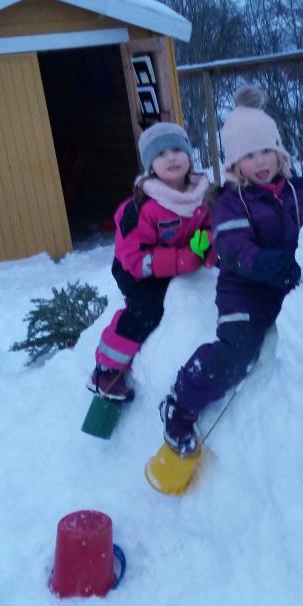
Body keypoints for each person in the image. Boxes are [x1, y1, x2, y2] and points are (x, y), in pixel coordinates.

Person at [160, 86, 303, 456]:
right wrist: (265, 263)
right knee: (239, 351)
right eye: (248, 155)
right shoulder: (232, 201)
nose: (260, 161)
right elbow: (232, 247)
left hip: (289, 281)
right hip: (246, 289)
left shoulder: (294, 190)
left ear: (279, 151)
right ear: (236, 164)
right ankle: (181, 403)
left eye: (265, 150)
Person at [87, 121, 215, 402]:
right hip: (136, 270)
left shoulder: (200, 197)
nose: (170, 157)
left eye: (176, 150)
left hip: (175, 262)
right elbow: (132, 257)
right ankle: (106, 370)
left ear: (188, 156)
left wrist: (205, 248)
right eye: (160, 154)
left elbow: (207, 228)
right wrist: (183, 260)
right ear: (150, 166)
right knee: (147, 309)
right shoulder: (140, 207)